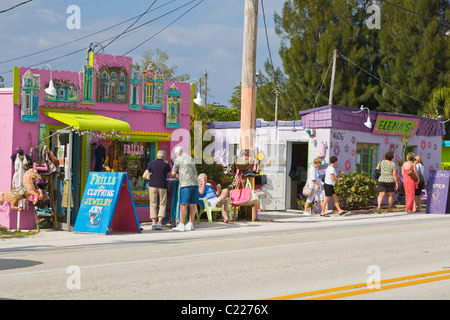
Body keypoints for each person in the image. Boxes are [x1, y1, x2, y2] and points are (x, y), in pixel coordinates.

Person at [171, 146, 199, 231]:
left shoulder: (178, 159)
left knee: (183, 204)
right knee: (192, 204)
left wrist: (175, 175)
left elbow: (173, 173)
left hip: (185, 184)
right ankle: (190, 224)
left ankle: (182, 224)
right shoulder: (190, 158)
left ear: (177, 153)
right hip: (195, 183)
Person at [146, 150, 172, 230]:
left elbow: (144, 175)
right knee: (162, 204)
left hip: (152, 186)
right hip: (162, 186)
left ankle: (153, 223)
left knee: (153, 204)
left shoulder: (151, 164)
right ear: (164, 157)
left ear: (157, 156)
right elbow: (172, 174)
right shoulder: (166, 165)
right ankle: (160, 223)